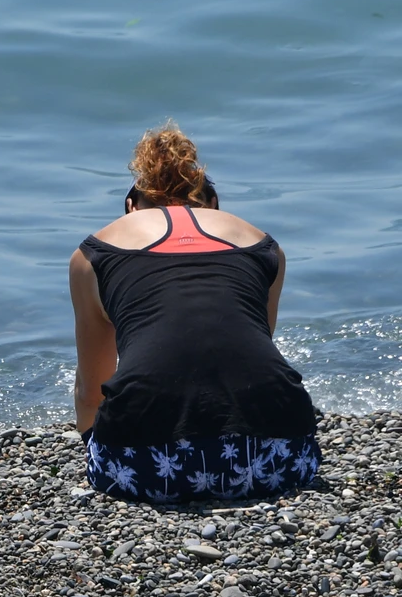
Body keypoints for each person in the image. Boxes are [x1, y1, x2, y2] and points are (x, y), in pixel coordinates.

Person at [69, 121, 321, 502]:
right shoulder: (264, 246)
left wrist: (96, 446)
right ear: (215, 205)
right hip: (280, 461)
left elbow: (91, 391)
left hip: (144, 471)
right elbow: (242, 351)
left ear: (130, 208)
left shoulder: (94, 255)